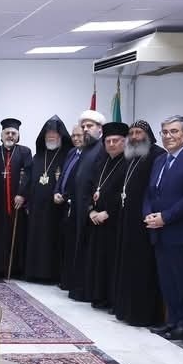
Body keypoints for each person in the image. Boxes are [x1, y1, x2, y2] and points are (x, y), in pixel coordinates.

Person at [144, 115, 183, 340]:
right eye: (165, 132)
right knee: (167, 280)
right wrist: (148, 214)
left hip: (179, 230)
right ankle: (171, 320)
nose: (168, 136)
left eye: (174, 131)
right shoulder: (160, 160)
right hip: (157, 231)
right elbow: (150, 192)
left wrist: (166, 217)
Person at [112, 121, 165, 327]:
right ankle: (126, 309)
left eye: (139, 132)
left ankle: (142, 314)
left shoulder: (157, 155)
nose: (134, 136)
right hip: (127, 219)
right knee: (127, 266)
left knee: (142, 268)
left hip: (144, 221)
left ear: (148, 135)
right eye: (132, 133)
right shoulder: (131, 156)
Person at [81, 122, 129, 308]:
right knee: (97, 261)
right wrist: (91, 210)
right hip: (96, 220)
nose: (111, 144)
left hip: (114, 222)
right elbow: (90, 187)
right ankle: (98, 296)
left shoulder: (128, 163)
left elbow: (126, 193)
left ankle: (110, 299)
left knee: (110, 263)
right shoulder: (101, 162)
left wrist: (107, 213)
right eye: (108, 141)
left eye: (115, 140)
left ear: (124, 141)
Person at [24, 116, 71, 282]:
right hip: (36, 208)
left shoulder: (67, 156)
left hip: (56, 209)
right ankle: (34, 273)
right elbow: (29, 181)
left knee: (52, 240)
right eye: (48, 133)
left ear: (61, 136)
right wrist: (28, 202)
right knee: (36, 239)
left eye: (55, 133)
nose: (51, 136)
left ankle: (51, 275)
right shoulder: (37, 157)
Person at [67, 111, 106, 300]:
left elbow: (99, 182)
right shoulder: (86, 149)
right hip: (79, 208)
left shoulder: (102, 148)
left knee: (89, 252)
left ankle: (86, 291)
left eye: (89, 126)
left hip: (91, 211)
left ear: (100, 128)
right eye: (83, 126)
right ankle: (78, 288)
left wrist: (91, 207)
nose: (85, 130)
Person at [0, 118, 33, 279]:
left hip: (17, 203)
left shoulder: (25, 152)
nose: (10, 136)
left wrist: (22, 194)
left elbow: (28, 174)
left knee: (18, 235)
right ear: (1, 135)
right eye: (7, 133)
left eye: (14, 133)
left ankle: (16, 270)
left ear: (18, 136)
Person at [56, 124, 87, 290]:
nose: (75, 138)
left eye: (79, 135)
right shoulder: (72, 153)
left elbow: (79, 182)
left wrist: (66, 195)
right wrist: (56, 191)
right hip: (64, 206)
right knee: (65, 243)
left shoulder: (88, 155)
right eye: (73, 135)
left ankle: (72, 281)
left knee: (74, 245)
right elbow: (62, 176)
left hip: (76, 205)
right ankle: (65, 279)